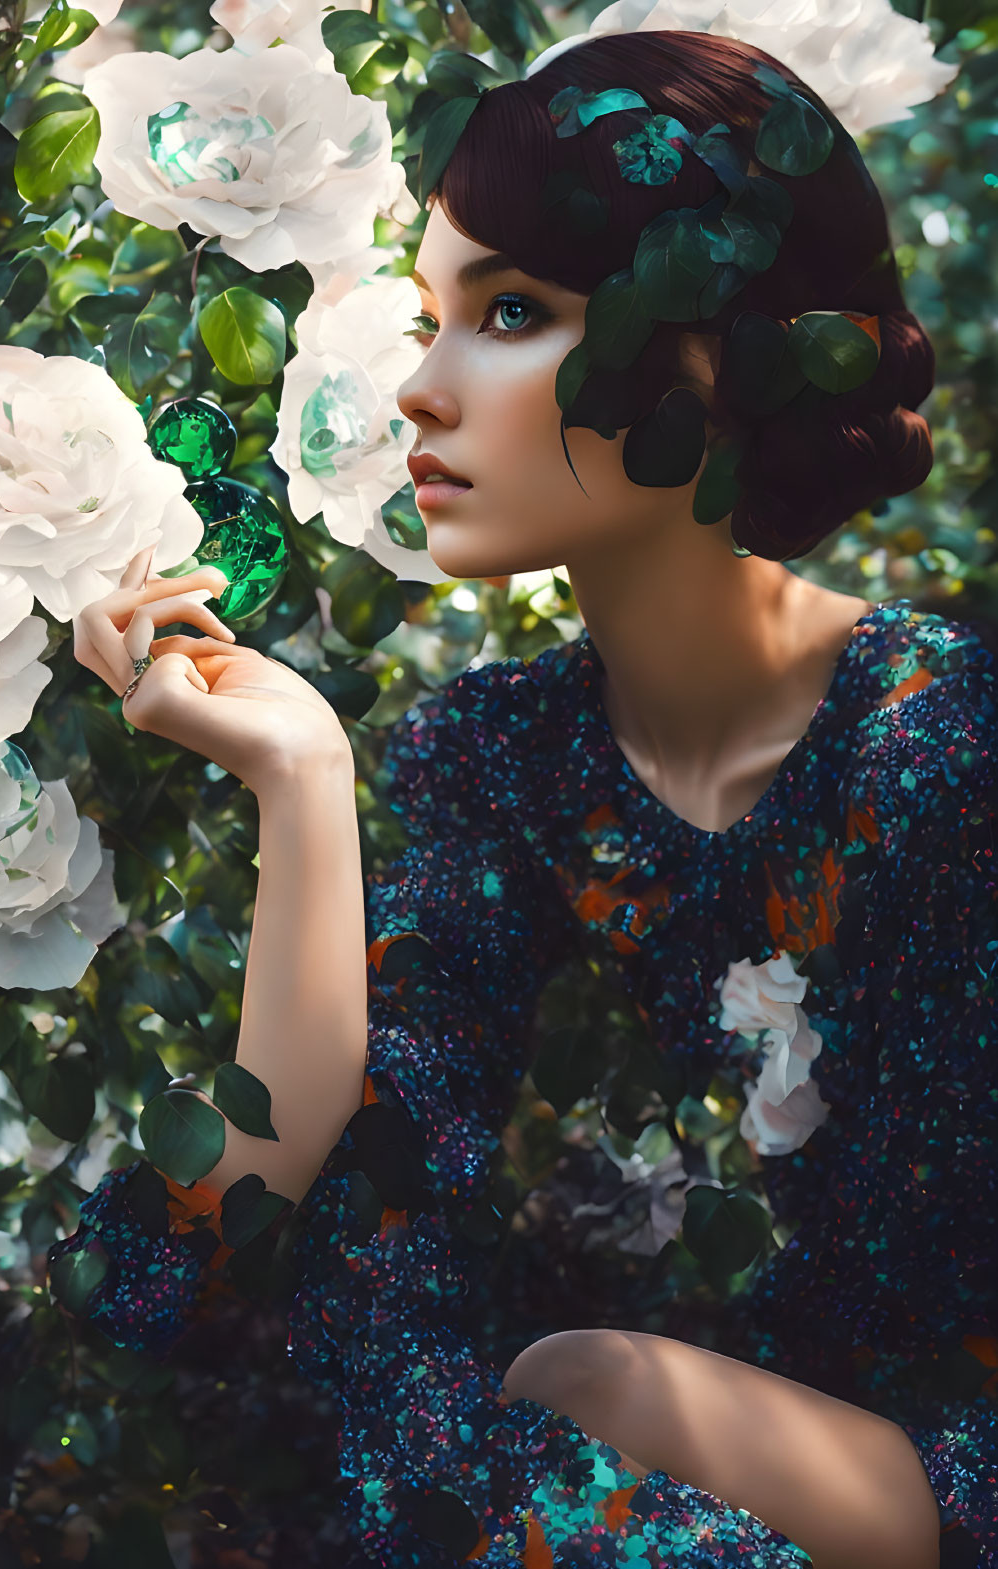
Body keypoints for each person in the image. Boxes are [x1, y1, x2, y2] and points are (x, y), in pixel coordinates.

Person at [56, 30, 997, 1569]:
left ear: (714, 351)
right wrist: (303, 781)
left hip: (948, 1479)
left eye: (506, 314)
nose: (419, 393)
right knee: (503, 1384)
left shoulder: (940, 742)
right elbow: (301, 1218)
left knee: (580, 1385)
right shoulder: (507, 754)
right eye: (431, 319)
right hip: (763, 1442)